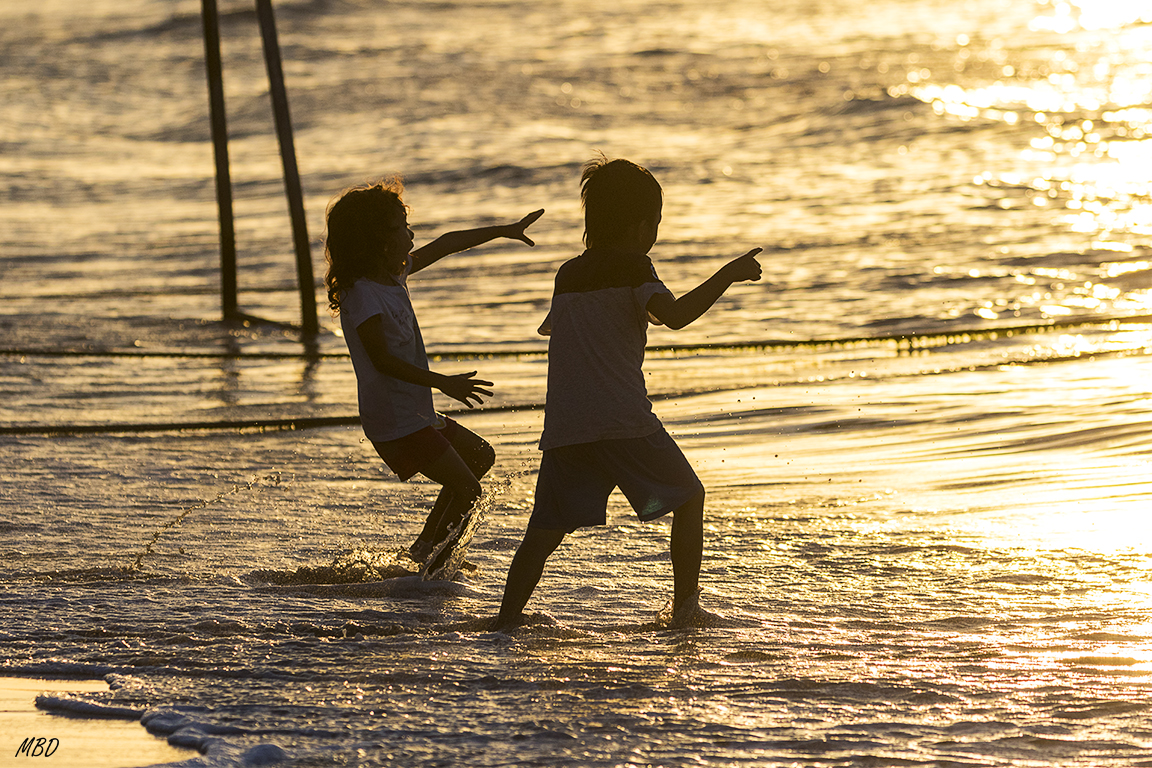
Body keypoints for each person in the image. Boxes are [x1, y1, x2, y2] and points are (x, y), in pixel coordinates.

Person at [493, 156, 762, 630]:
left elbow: (562, 333)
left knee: (544, 531)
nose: (655, 232)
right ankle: (684, 610)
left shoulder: (567, 274)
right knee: (689, 497)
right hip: (622, 421)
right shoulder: (637, 268)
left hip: (567, 426)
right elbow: (674, 316)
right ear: (641, 226)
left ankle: (504, 620)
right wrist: (728, 274)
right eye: (655, 223)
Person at [324, 178, 543, 566]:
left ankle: (427, 550)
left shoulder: (393, 275)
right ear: (377, 239)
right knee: (471, 491)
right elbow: (383, 361)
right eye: (400, 227)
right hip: (396, 421)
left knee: (480, 457)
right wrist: (445, 383)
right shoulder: (362, 295)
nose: (410, 233)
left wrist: (504, 231)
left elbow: (446, 243)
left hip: (413, 413)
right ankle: (436, 565)